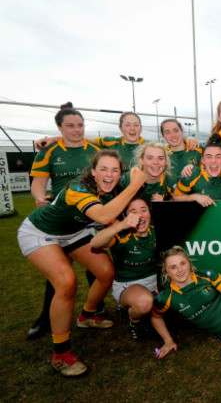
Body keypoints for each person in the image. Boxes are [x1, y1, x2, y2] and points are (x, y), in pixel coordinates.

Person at [17, 150, 146, 376]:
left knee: (106, 272)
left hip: (75, 232)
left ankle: (86, 316)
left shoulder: (115, 182)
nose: (109, 174)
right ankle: (61, 355)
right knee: (66, 283)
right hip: (40, 232)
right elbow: (105, 216)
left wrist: (136, 174)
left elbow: (137, 171)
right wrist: (134, 186)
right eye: (103, 169)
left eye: (115, 170)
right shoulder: (79, 187)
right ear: (93, 171)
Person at [27, 102, 102, 340]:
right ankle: (45, 319)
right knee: (59, 273)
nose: (76, 130)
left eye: (80, 125)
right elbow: (37, 185)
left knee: (97, 266)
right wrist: (40, 198)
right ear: (60, 127)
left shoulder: (94, 149)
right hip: (61, 219)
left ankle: (94, 311)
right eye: (70, 126)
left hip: (91, 216)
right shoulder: (48, 152)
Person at [90, 197, 158, 340]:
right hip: (129, 285)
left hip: (156, 282)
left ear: (150, 214)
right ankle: (134, 321)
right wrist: (120, 226)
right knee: (144, 303)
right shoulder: (122, 235)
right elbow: (95, 243)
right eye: (133, 211)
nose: (140, 215)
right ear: (126, 217)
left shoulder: (156, 231)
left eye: (143, 210)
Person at [36, 111, 146, 169]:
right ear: (120, 128)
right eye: (127, 125)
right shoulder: (111, 142)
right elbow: (80, 138)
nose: (132, 128)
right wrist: (55, 138)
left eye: (136, 125)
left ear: (141, 128)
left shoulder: (149, 146)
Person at [173, 136, 221, 205]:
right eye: (209, 156)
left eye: (218, 156)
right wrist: (194, 197)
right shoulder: (192, 173)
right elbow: (176, 197)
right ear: (203, 160)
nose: (213, 161)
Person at [160, 118, 202, 183]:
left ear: (182, 131)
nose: (173, 135)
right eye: (167, 132)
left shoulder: (197, 149)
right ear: (163, 136)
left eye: (176, 131)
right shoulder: (162, 157)